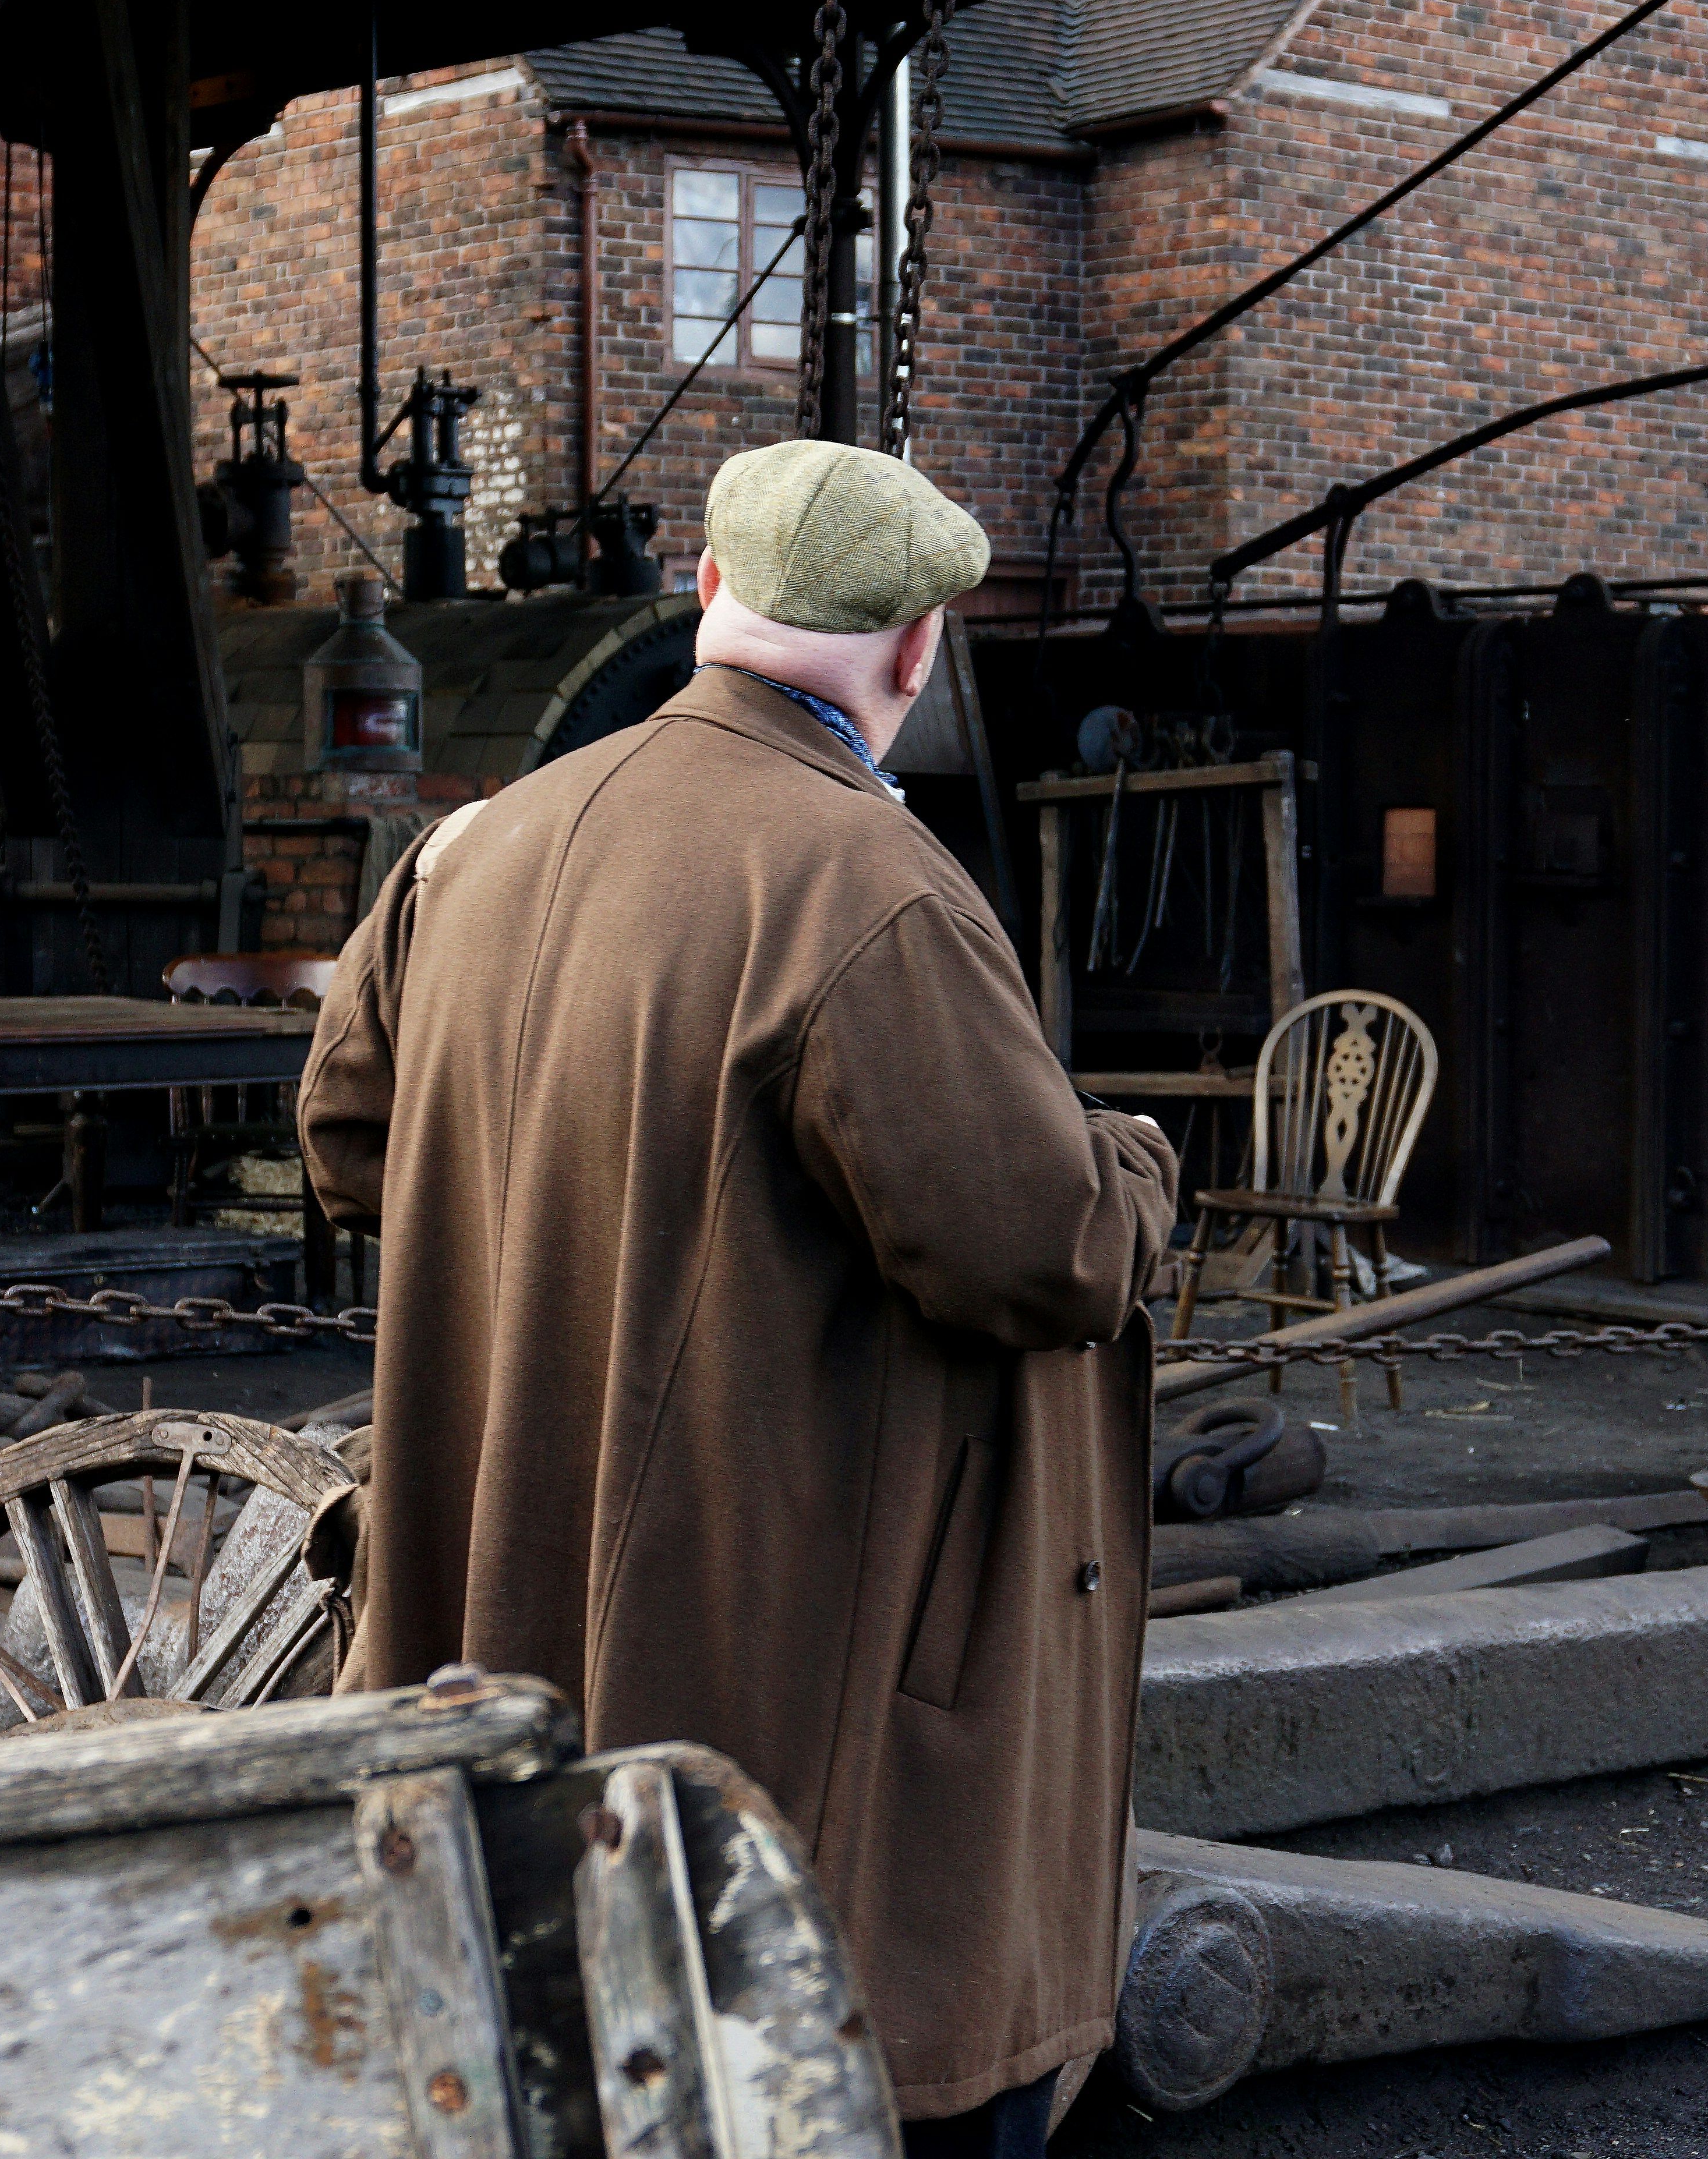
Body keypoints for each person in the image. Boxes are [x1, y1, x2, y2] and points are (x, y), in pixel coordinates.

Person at [299, 438, 1176, 2153]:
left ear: (707, 594)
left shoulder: (471, 848)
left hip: (488, 1649)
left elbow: (346, 1145)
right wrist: (1134, 1158)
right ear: (919, 651)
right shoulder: (870, 889)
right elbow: (1041, 1253)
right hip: (775, 1718)